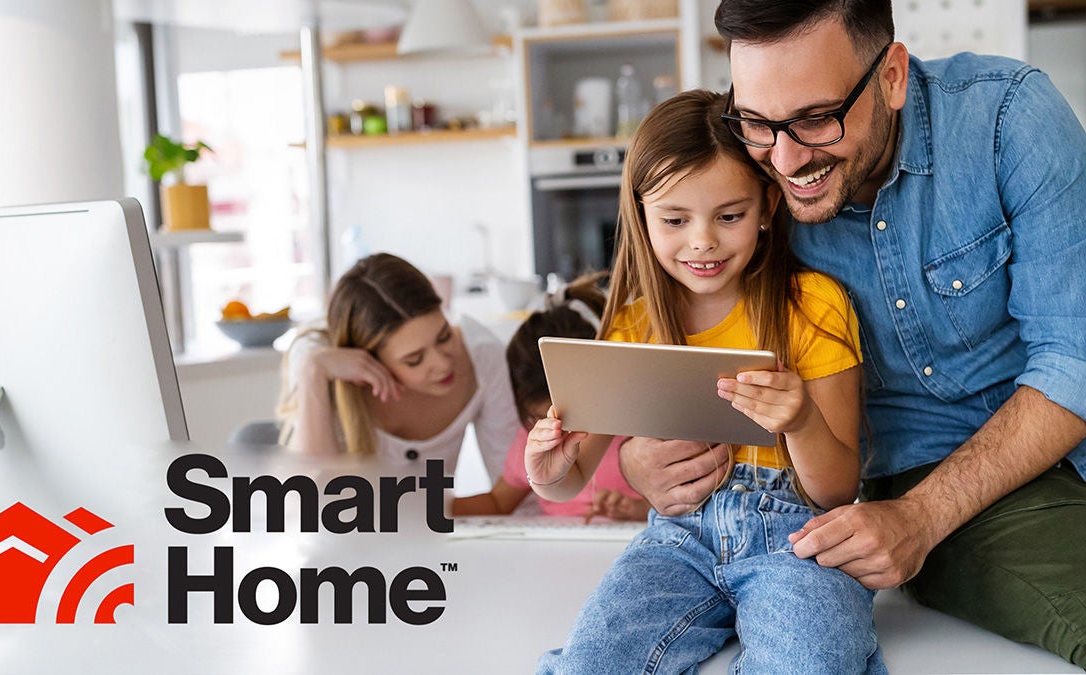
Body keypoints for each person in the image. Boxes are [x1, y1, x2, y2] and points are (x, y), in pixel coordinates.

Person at [618, 0, 1086, 664]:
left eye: (815, 118)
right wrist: (640, 458)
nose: (784, 158)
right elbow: (683, 320)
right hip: (947, 485)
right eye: (757, 121)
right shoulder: (746, 187)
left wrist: (920, 519)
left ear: (892, 75)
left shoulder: (1010, 118)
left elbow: (1075, 356)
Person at [527, 89, 884, 673]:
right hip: (677, 542)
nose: (702, 241)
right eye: (674, 219)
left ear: (768, 205)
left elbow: (836, 492)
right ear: (642, 216)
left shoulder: (814, 306)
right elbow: (570, 481)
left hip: (796, 539)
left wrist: (799, 421)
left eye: (729, 216)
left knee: (811, 662)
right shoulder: (632, 327)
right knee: (591, 662)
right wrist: (547, 476)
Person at [274, 253, 520, 482]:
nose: (443, 363)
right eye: (414, 359)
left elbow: (514, 484)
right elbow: (307, 503)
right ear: (369, 360)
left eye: (444, 336)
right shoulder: (320, 363)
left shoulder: (483, 355)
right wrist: (313, 371)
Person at [451, 273, 649, 520]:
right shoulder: (532, 443)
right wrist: (427, 508)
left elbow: (680, 504)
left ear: (597, 381)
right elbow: (498, 501)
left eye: (574, 416)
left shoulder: (633, 433)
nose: (561, 432)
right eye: (539, 418)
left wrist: (639, 510)